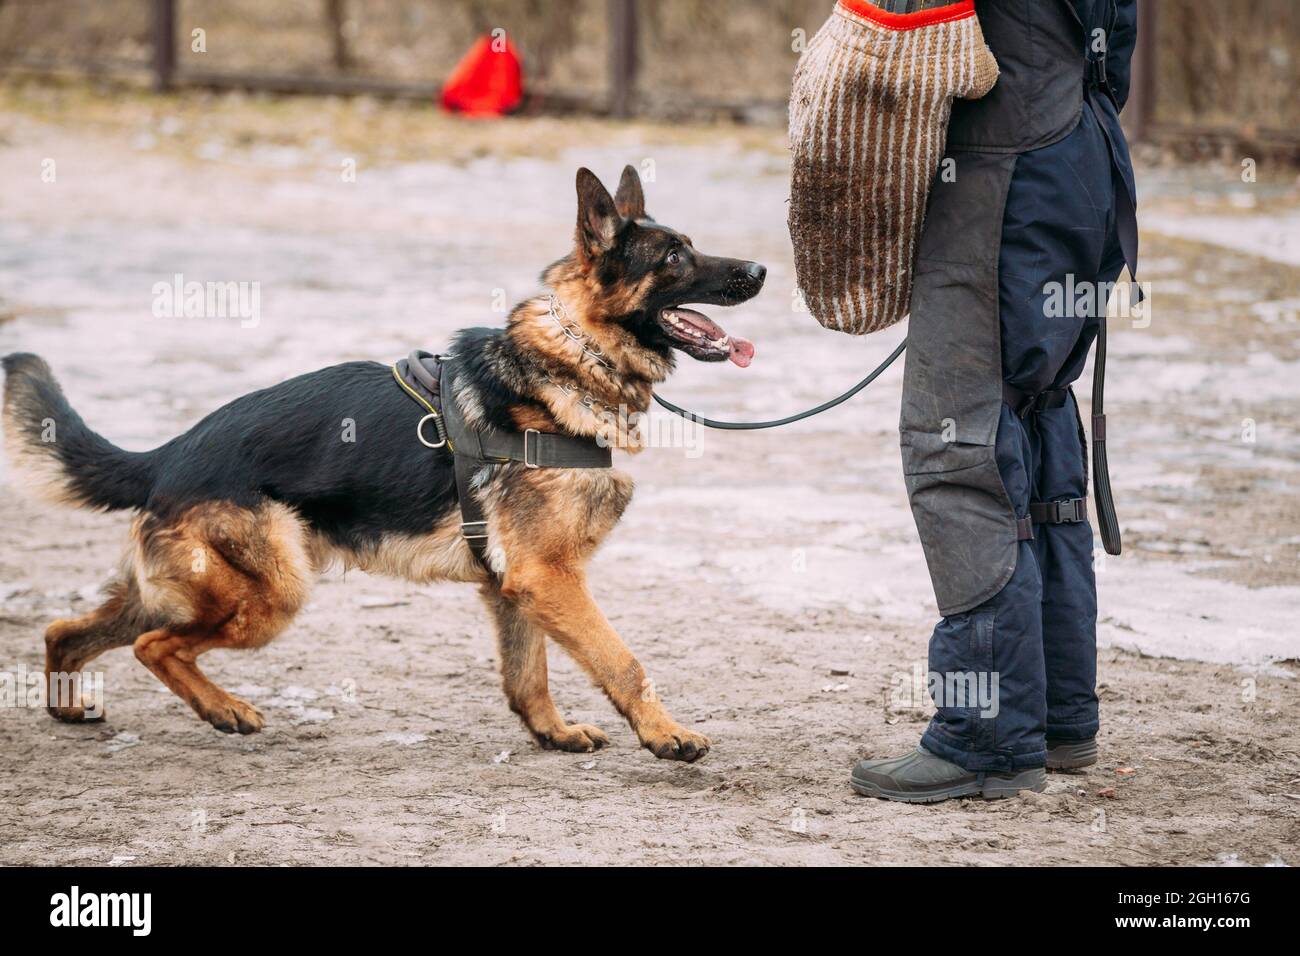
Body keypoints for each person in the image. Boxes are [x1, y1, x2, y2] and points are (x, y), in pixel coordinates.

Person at [846, 0, 1140, 802]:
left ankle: (985, 735)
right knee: (1036, 410)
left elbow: (892, 33)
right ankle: (1054, 721)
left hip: (1000, 175)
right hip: (1085, 155)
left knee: (959, 445)